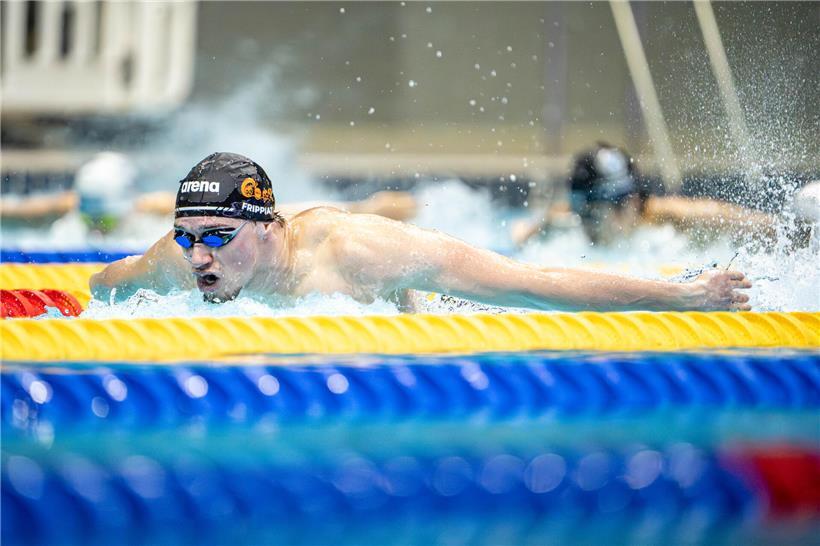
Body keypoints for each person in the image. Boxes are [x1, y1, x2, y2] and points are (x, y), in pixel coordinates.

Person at [90, 152, 752, 312]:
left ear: (269, 227)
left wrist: (685, 298)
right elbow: (101, 286)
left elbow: (537, 284)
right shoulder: (180, 260)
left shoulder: (361, 250)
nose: (199, 256)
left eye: (217, 236)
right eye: (187, 236)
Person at [0, 152, 417, 244]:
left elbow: (271, 214)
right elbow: (13, 215)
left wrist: (367, 210)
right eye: (92, 220)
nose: (96, 229)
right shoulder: (66, 210)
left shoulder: (168, 209)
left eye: (105, 222)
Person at [512, 143, 777, 248]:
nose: (589, 227)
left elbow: (726, 216)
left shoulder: (670, 217)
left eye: (597, 214)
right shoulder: (574, 216)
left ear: (631, 202)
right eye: (586, 215)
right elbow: (522, 233)